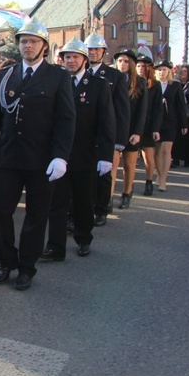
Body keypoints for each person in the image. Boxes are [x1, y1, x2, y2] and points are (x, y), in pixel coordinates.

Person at [0, 19, 75, 291]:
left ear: (44, 47)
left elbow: (66, 119)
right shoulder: (6, 75)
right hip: (7, 158)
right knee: (0, 212)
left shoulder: (58, 76)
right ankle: (7, 261)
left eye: (33, 41)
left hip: (41, 159)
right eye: (23, 41)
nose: (27, 46)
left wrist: (60, 156)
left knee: (36, 216)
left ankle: (27, 267)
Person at [42, 38, 114, 261]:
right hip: (59, 154)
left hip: (85, 154)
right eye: (67, 57)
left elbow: (106, 123)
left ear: (84, 59)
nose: (71, 61)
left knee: (84, 200)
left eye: (75, 57)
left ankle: (84, 238)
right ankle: (55, 246)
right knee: (56, 202)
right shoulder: (55, 82)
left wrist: (105, 156)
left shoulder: (98, 85)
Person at [84, 32, 130, 226]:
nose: (93, 53)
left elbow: (122, 109)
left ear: (103, 52)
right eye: (89, 49)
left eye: (96, 49)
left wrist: (119, 139)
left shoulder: (115, 76)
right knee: (82, 173)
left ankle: (102, 209)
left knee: (103, 173)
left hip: (105, 133)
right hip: (82, 134)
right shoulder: (78, 72)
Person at [113, 49, 147, 209]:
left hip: (132, 129)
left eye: (126, 61)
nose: (122, 64)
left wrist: (137, 132)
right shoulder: (111, 79)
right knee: (112, 164)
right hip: (114, 128)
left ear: (132, 64)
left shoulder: (139, 82)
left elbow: (142, 110)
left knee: (129, 164)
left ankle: (127, 192)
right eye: (120, 61)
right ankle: (108, 197)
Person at [154, 60, 188, 192]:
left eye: (164, 69)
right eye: (159, 70)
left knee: (166, 149)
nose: (161, 72)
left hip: (171, 122)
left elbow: (180, 106)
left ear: (169, 71)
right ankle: (159, 174)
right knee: (157, 150)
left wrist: (183, 124)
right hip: (156, 123)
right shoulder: (153, 84)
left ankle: (163, 179)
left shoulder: (175, 85)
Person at [136, 50, 163, 195]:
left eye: (144, 66)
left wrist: (156, 129)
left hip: (148, 125)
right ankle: (129, 185)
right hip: (134, 125)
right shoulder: (131, 82)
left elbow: (158, 109)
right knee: (131, 157)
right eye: (139, 66)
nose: (141, 68)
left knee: (148, 155)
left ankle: (149, 181)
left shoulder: (155, 85)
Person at [172, 64, 189, 167]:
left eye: (186, 71)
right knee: (177, 137)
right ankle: (175, 159)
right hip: (179, 114)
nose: (184, 73)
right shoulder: (176, 84)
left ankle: (187, 159)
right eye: (182, 71)